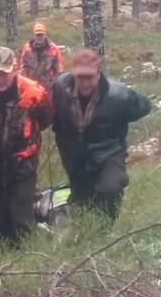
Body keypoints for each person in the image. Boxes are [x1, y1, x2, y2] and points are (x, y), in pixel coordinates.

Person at [50, 48, 152, 222]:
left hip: (109, 150)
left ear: (98, 73)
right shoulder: (59, 87)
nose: (85, 83)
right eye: (80, 77)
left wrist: (119, 123)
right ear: (73, 74)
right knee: (82, 200)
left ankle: (106, 227)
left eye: (89, 77)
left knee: (110, 187)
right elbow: (44, 109)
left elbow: (144, 106)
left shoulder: (118, 95)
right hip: (74, 154)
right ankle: (85, 229)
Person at [0, 47, 53, 242]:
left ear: (15, 70)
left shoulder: (33, 92)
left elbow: (45, 120)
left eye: (4, 73)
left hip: (22, 162)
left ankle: (25, 250)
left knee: (20, 220)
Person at [19, 22, 65, 90]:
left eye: (41, 35)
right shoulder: (27, 48)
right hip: (32, 85)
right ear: (34, 35)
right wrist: (24, 82)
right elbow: (23, 66)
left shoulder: (53, 48)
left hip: (48, 86)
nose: (39, 37)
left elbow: (59, 68)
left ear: (45, 34)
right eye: (37, 35)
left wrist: (58, 84)